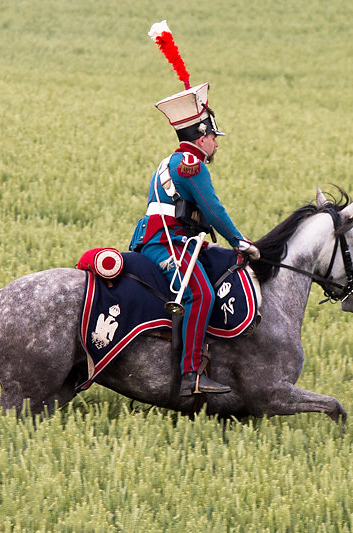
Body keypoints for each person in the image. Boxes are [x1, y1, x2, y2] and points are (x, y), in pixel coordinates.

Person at [129, 83, 260, 396]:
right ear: (202, 138)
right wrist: (240, 241)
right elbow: (213, 210)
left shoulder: (169, 161)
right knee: (200, 294)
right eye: (214, 138)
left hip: (168, 239)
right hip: (166, 243)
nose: (216, 144)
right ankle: (191, 374)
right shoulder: (193, 165)